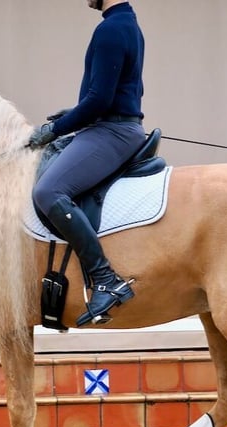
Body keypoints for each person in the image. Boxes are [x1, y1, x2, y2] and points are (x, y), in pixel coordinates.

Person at [29, 0, 146, 327]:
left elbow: (99, 101)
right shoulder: (126, 22)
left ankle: (105, 278)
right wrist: (73, 114)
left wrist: (53, 129)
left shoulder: (110, 29)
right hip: (111, 124)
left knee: (48, 192)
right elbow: (109, 94)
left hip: (112, 130)